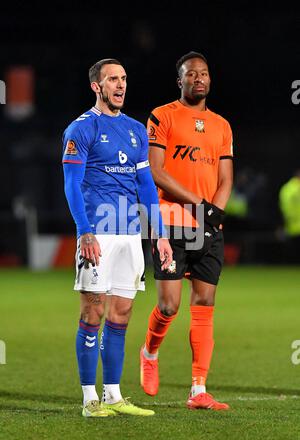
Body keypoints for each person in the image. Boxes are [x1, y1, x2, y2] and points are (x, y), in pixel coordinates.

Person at [62, 58, 172, 418]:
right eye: (113, 79)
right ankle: (88, 398)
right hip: (97, 234)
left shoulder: (136, 129)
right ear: (97, 86)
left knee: (121, 315)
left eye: (124, 78)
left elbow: (146, 187)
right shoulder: (81, 129)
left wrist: (160, 234)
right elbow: (72, 185)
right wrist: (84, 232)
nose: (120, 85)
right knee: (93, 312)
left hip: (130, 234)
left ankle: (113, 395)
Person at [140, 51, 234, 410]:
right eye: (191, 74)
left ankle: (198, 390)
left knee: (205, 302)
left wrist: (215, 213)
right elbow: (156, 171)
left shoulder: (222, 125)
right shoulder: (162, 116)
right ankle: (149, 352)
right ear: (179, 81)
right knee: (169, 304)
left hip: (208, 224)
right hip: (170, 221)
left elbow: (226, 178)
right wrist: (200, 204)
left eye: (204, 73)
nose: (199, 78)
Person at [279, 169, 300, 264]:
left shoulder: (286, 188)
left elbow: (283, 207)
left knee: (293, 258)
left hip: (290, 226)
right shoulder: (298, 188)